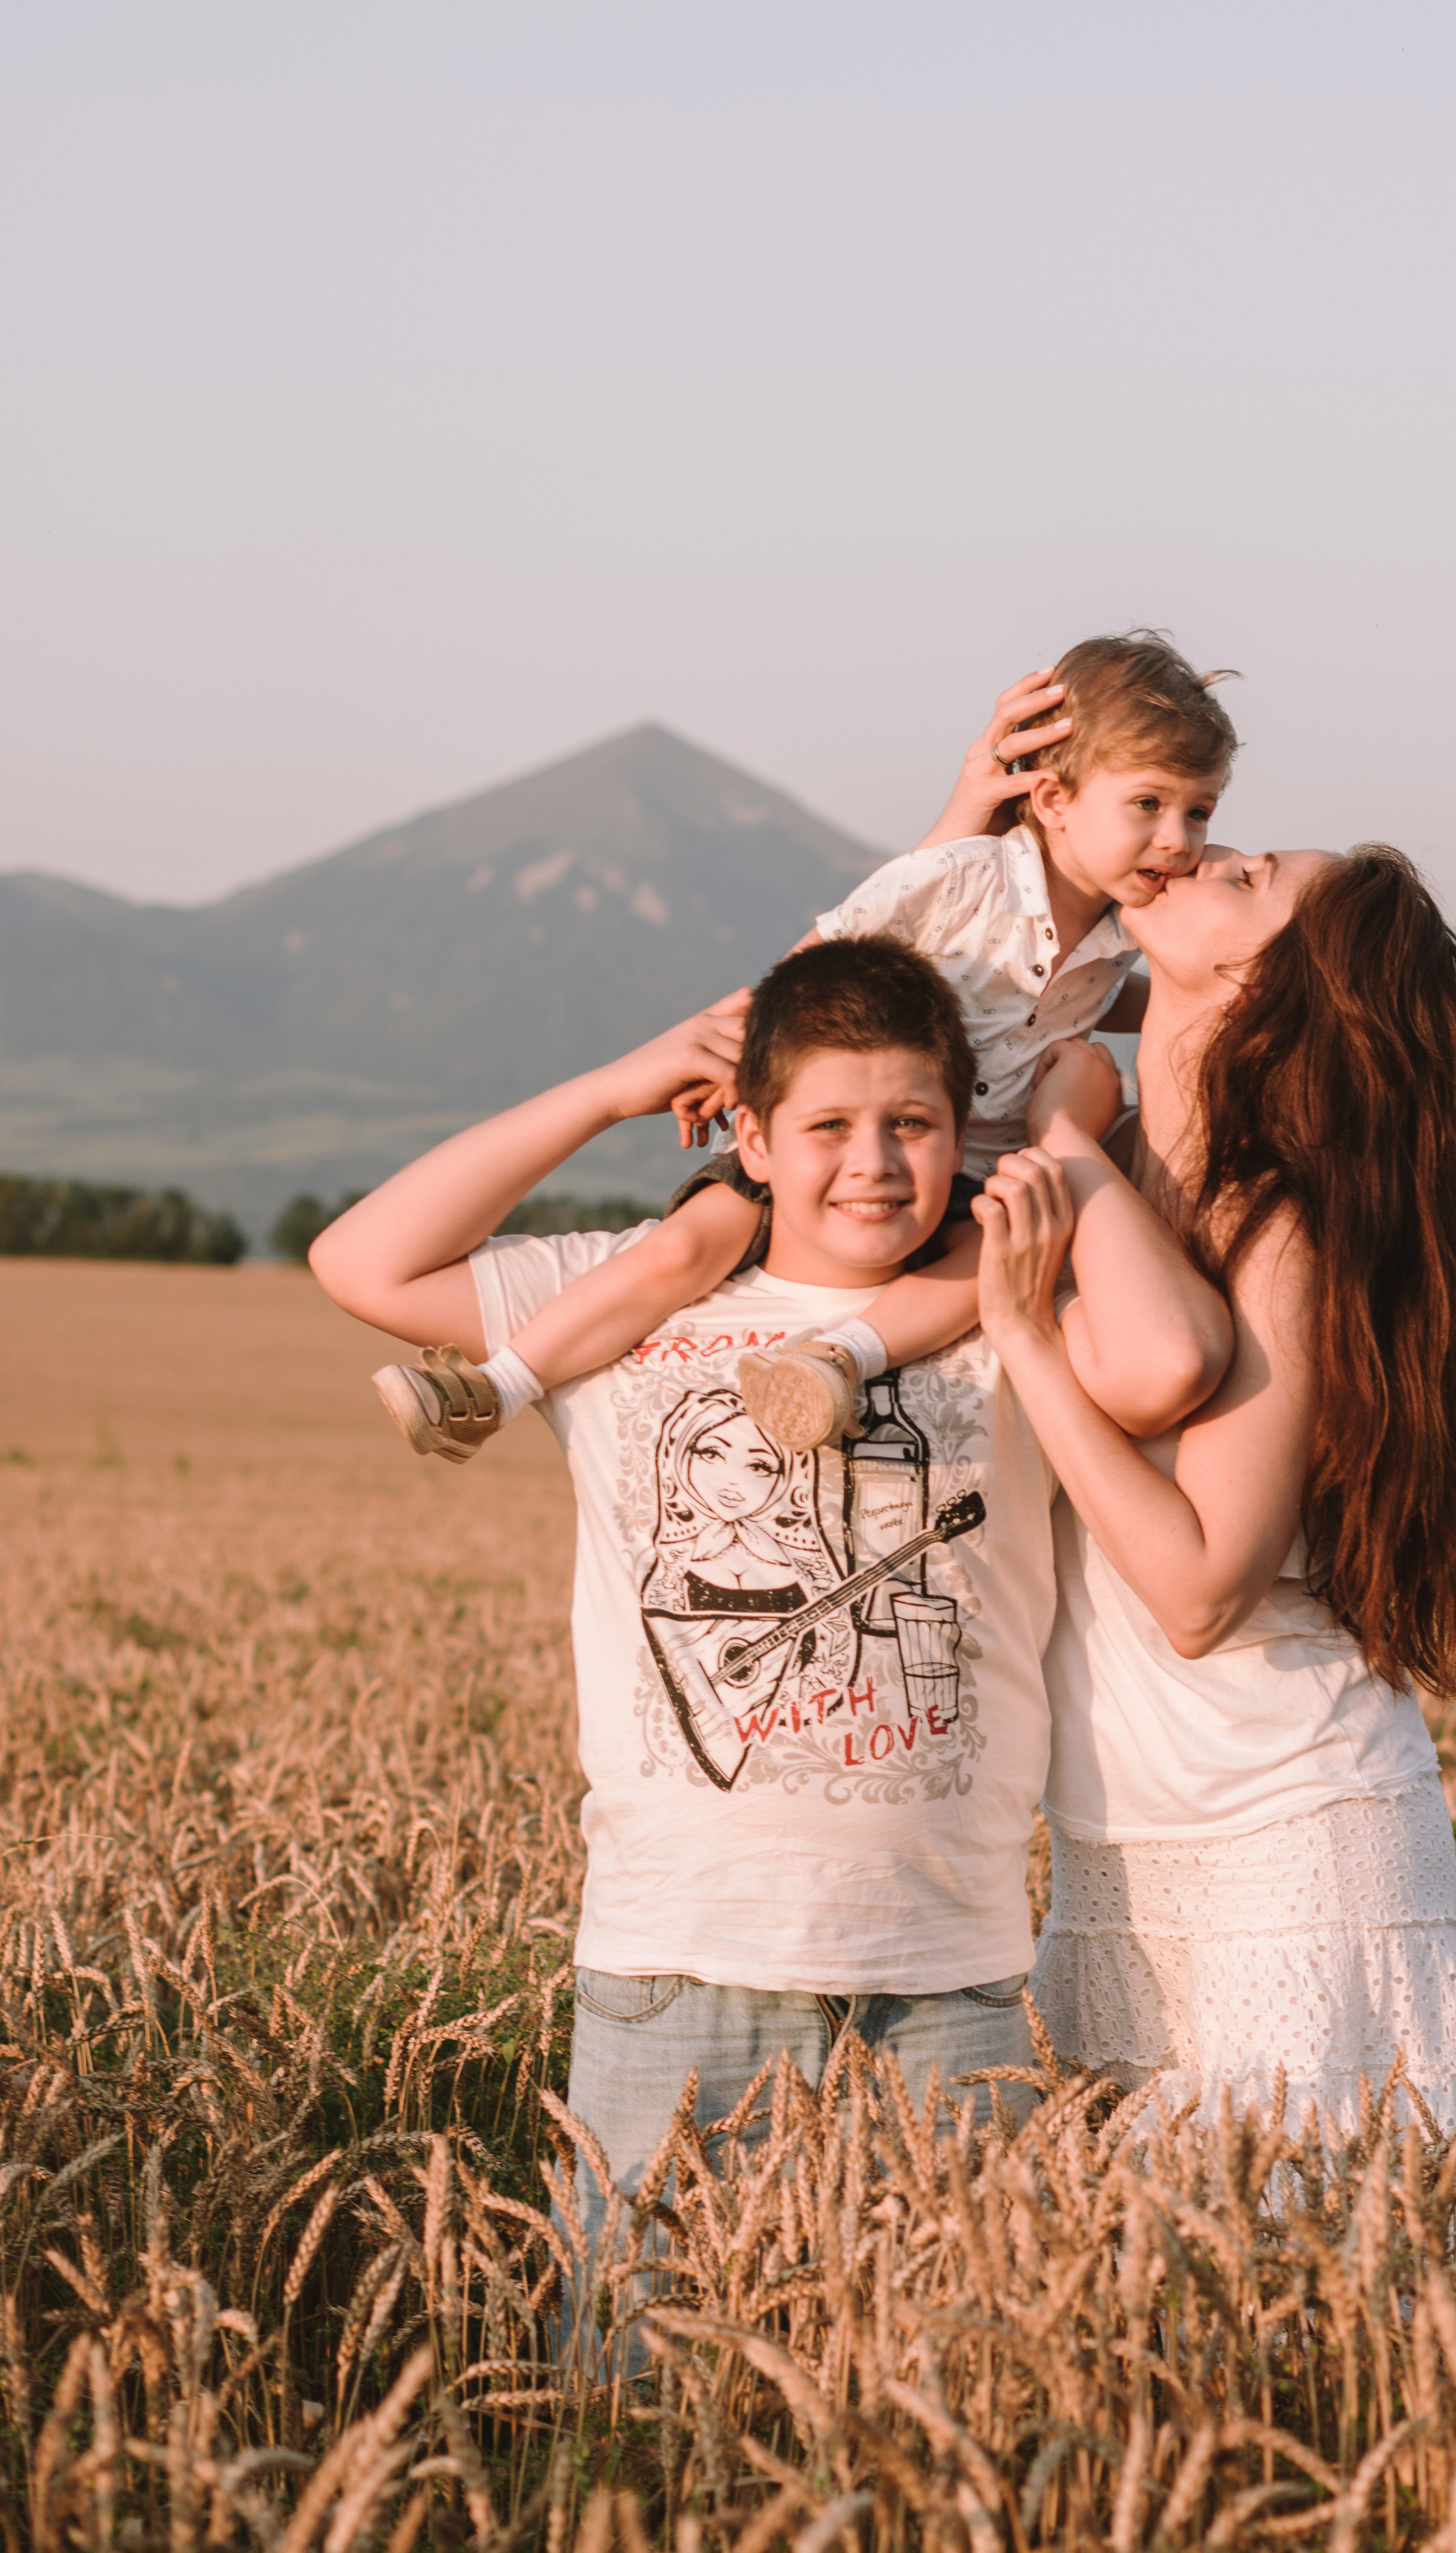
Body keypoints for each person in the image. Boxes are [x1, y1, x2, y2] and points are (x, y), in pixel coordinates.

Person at [306, 935, 1228, 2305]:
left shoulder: (1012, 1311)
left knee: (956, 2386)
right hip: (681, 1965)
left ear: (959, 1133)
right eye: (828, 1127)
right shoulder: (634, 1298)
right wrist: (615, 1087)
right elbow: (360, 1260)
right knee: (642, 2391)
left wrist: (1058, 1144)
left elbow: (1169, 1358)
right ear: (750, 1134)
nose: (874, 1163)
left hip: (953, 1978)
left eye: (913, 1124)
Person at [370, 630, 1238, 1467]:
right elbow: (819, 958)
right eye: (1148, 805)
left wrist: (1208, 1001)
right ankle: (497, 1386)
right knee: (682, 1251)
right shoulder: (963, 875)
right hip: (851, 1139)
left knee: (992, 1267)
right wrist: (738, 1063)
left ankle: (835, 1363)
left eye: (1198, 811)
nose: (1178, 839)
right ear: (1052, 800)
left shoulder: (1124, 935)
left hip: (976, 1179)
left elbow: (1098, 1000)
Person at [973, 842, 1456, 2136]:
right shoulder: (1125, 1165)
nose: (1204, 850)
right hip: (1124, 1845)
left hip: (1286, 1837)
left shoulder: (1279, 1226)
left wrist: (1025, 1330)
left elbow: (1201, 1591)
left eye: (1249, 874)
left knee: (1314, 2254)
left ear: (1267, 981)